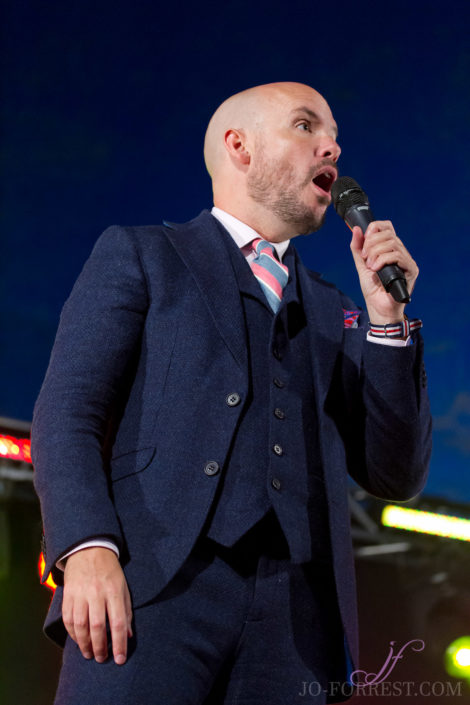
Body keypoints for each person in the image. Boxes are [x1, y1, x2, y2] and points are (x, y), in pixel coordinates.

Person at [32, 81, 432, 704]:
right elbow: (69, 412)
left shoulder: (336, 309)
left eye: (335, 137)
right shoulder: (143, 256)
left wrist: (386, 324)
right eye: (306, 127)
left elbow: (394, 473)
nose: (332, 147)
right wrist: (85, 549)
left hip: (298, 626)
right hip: (152, 592)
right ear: (239, 147)